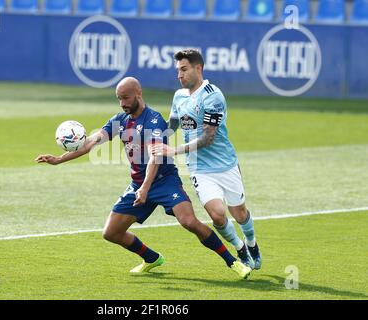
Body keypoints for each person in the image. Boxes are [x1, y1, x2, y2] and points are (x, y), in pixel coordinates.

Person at [35, 77, 251, 279]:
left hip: (165, 181)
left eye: (125, 98)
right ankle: (152, 258)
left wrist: (146, 188)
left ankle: (233, 262)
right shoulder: (120, 120)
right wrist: (59, 159)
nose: (121, 103)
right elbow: (91, 142)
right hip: (138, 185)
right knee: (111, 232)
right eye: (118, 98)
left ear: (138, 94)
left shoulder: (154, 120)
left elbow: (155, 157)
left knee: (189, 222)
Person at [153, 50, 262, 270]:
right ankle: (240, 247)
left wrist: (173, 150)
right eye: (178, 71)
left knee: (239, 213)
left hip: (225, 164)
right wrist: (155, 137)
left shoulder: (213, 96)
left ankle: (252, 243)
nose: (179, 75)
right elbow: (172, 124)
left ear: (198, 68)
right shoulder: (179, 96)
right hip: (199, 168)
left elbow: (208, 138)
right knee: (217, 215)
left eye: (184, 69)